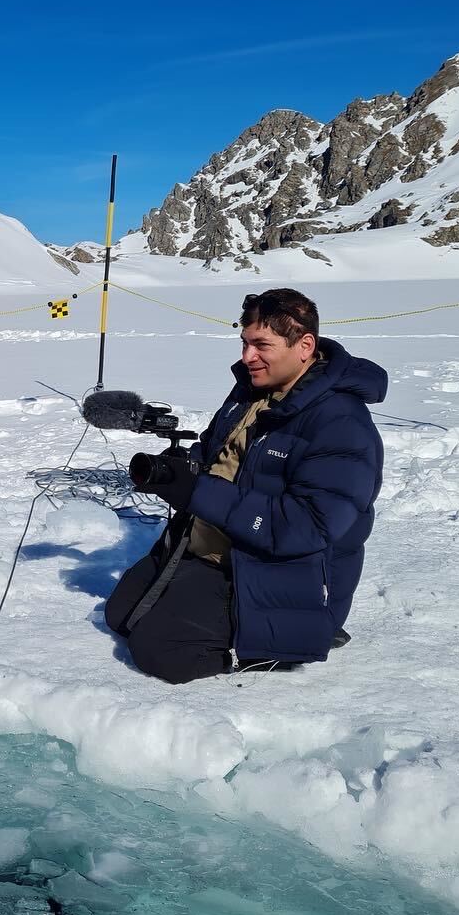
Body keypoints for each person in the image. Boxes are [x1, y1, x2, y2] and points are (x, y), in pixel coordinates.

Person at [104, 288, 386, 683]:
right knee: (121, 615)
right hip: (218, 548)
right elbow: (214, 450)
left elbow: (308, 527)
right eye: (244, 343)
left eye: (261, 345)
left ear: (304, 346)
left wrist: (198, 492)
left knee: (161, 651)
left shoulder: (340, 422)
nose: (247, 356)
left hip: (280, 574)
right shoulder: (252, 391)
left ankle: (286, 643)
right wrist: (180, 471)